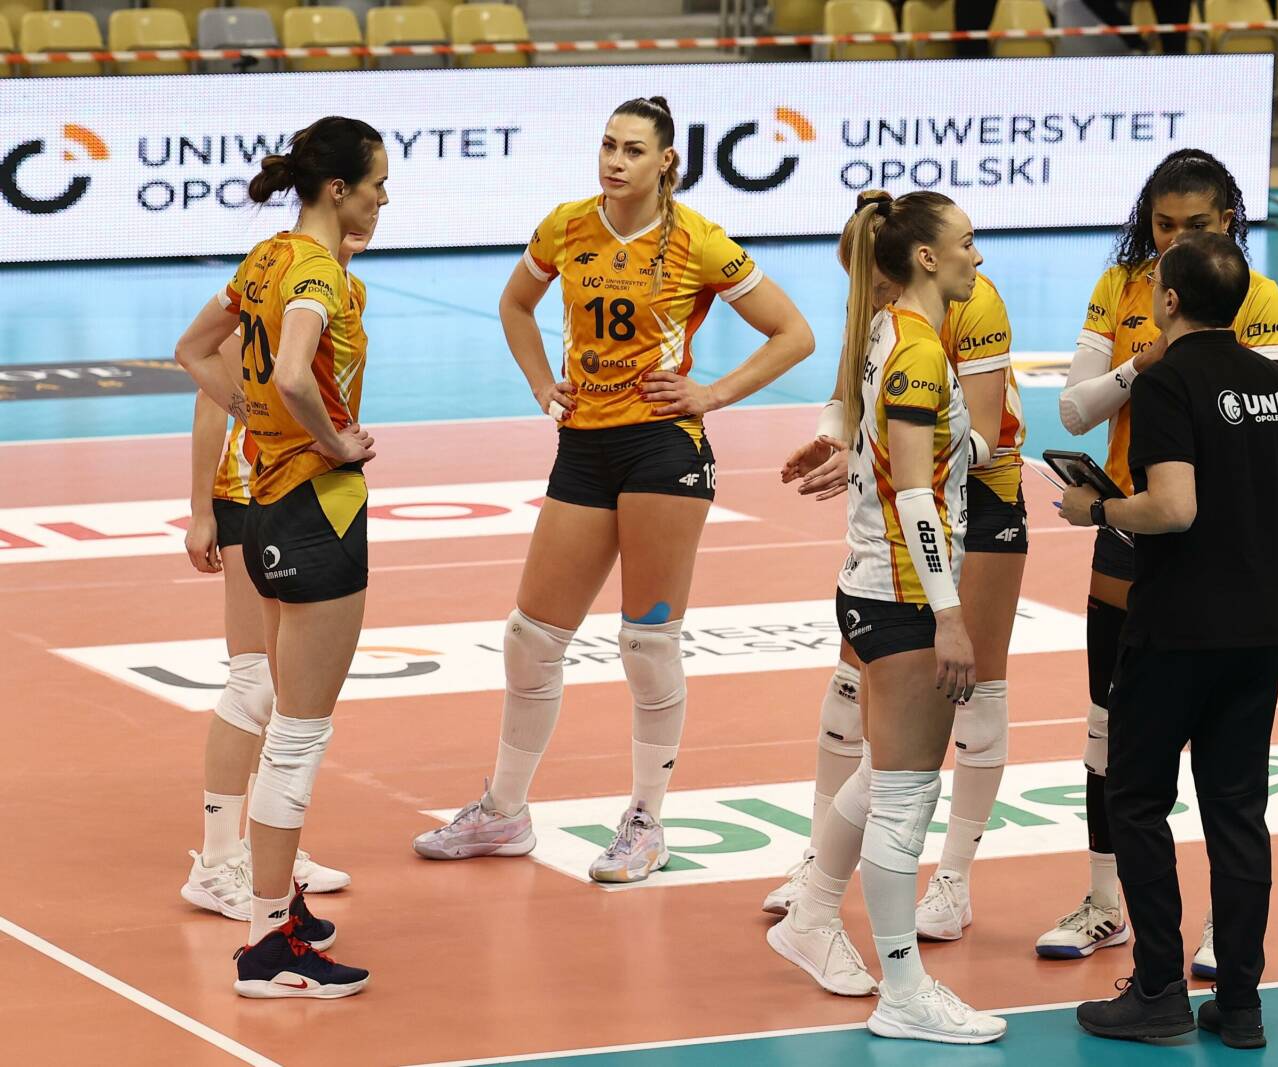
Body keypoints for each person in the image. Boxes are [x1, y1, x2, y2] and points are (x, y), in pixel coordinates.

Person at [412, 96, 814, 883]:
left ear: (666, 161)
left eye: (633, 149)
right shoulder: (566, 226)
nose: (615, 161)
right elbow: (515, 303)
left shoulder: (698, 240)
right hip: (583, 446)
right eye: (607, 145)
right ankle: (504, 810)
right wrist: (542, 383)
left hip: (663, 450)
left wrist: (713, 393)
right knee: (531, 637)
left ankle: (645, 821)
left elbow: (794, 333)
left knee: (647, 642)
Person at [1043, 148, 1278, 977]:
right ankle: (1104, 903)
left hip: (1213, 546)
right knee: (1106, 732)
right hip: (1128, 532)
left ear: (1229, 221)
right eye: (1163, 224)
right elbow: (1074, 410)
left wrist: (1175, 365)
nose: (1176, 239)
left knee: (1223, 764)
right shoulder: (1123, 289)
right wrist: (1141, 364)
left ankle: (1221, 928)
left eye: (1196, 224)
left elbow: (1251, 421)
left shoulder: (1253, 295)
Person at [1065, 233, 1278, 1048]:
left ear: (1169, 300)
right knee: (1238, 813)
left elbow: (1172, 507)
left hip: (1174, 628)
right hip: (1259, 628)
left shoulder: (1166, 382)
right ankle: (1239, 1003)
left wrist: (1097, 509)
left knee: (1138, 799)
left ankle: (1159, 991)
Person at [770, 191, 1005, 1044]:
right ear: (927, 258)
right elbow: (914, 495)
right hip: (902, 596)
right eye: (968, 242)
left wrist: (975, 444)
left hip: (874, 584)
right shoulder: (917, 350)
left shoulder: (886, 330)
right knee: (906, 799)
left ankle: (810, 914)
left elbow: (919, 456)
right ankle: (904, 990)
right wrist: (950, 614)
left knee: (880, 776)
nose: (980, 256)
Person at [174, 115, 387, 998]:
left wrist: (254, 415)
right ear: (338, 189)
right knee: (298, 733)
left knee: (277, 711)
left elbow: (192, 350)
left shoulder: (265, 257)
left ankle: (274, 910)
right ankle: (270, 944)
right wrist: (332, 442)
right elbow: (295, 372)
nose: (383, 199)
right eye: (376, 184)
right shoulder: (315, 270)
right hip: (316, 510)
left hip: (262, 505)